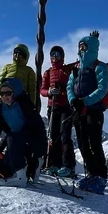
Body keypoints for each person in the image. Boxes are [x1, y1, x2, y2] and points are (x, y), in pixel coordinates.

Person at [66, 31, 108, 193]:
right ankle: (92, 174)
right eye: (79, 46)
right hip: (79, 110)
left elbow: (102, 89)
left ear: (91, 48)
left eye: (84, 46)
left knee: (94, 143)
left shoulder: (100, 67)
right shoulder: (76, 68)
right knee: (83, 144)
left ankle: (100, 178)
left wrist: (83, 101)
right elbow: (69, 86)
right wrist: (73, 100)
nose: (81, 49)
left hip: (94, 111)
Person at [0, 77, 47, 186]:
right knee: (6, 168)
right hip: (17, 140)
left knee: (12, 139)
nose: (5, 96)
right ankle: (31, 166)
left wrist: (14, 138)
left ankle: (20, 176)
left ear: (15, 92)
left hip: (34, 139)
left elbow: (34, 126)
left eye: (8, 93)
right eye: (2, 94)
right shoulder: (1, 107)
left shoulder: (24, 103)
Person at [40, 45, 78, 178]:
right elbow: (42, 89)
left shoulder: (68, 69)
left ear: (62, 56)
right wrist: (49, 92)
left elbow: (79, 64)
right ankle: (55, 164)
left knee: (65, 136)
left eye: (57, 54)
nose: (55, 57)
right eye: (52, 55)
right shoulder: (48, 72)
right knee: (54, 136)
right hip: (53, 107)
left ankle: (68, 166)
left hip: (66, 107)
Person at [0, 44, 39, 112]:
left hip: (20, 100)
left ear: (25, 55)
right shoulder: (7, 67)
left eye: (20, 53)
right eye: (15, 53)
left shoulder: (29, 70)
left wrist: (31, 104)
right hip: (5, 98)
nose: (17, 55)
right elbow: (0, 83)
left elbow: (32, 90)